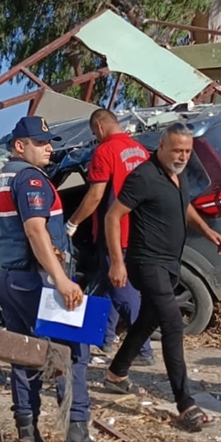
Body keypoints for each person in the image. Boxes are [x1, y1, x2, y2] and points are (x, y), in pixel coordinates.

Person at [101, 122, 221, 433]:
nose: (182, 156)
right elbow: (112, 216)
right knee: (172, 324)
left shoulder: (177, 175)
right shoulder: (143, 176)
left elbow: (183, 207)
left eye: (187, 151)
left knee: (148, 321)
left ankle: (116, 372)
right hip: (146, 263)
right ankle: (186, 403)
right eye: (177, 150)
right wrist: (117, 262)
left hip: (170, 263)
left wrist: (206, 229)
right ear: (162, 146)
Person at [0, 116, 94, 442]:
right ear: (20, 146)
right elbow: (35, 230)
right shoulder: (31, 180)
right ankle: (76, 431)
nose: (48, 148)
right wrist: (61, 279)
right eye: (39, 143)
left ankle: (26, 429)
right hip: (40, 281)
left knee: (24, 355)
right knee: (72, 353)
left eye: (49, 142)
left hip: (8, 278)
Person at [64, 109, 153, 363]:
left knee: (123, 291)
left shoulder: (104, 151)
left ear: (100, 127)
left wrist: (73, 223)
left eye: (94, 133)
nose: (95, 137)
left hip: (114, 232)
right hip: (139, 231)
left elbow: (95, 196)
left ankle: (142, 348)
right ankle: (103, 339)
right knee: (105, 287)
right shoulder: (141, 151)